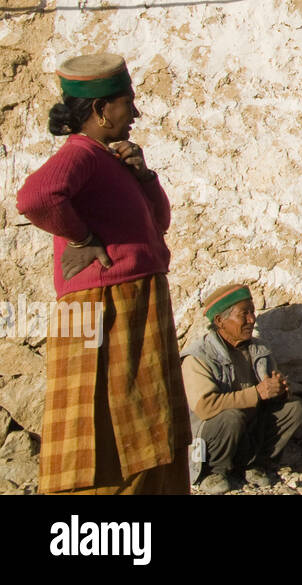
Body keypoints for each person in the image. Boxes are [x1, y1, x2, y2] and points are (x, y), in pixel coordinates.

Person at [15, 53, 190, 494]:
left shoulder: (110, 160)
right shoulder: (81, 154)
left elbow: (160, 220)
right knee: (118, 422)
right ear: (100, 110)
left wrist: (144, 174)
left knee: (140, 422)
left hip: (124, 299)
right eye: (127, 103)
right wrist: (80, 238)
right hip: (106, 303)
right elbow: (36, 197)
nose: (135, 113)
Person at [181, 284, 302, 493]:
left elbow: (268, 395)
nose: (251, 319)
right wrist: (258, 393)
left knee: (294, 409)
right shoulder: (198, 356)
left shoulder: (259, 349)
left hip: (248, 430)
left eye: (252, 312)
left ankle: (254, 464)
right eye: (244, 314)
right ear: (220, 321)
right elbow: (205, 407)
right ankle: (213, 472)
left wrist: (280, 392)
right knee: (231, 417)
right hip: (213, 435)